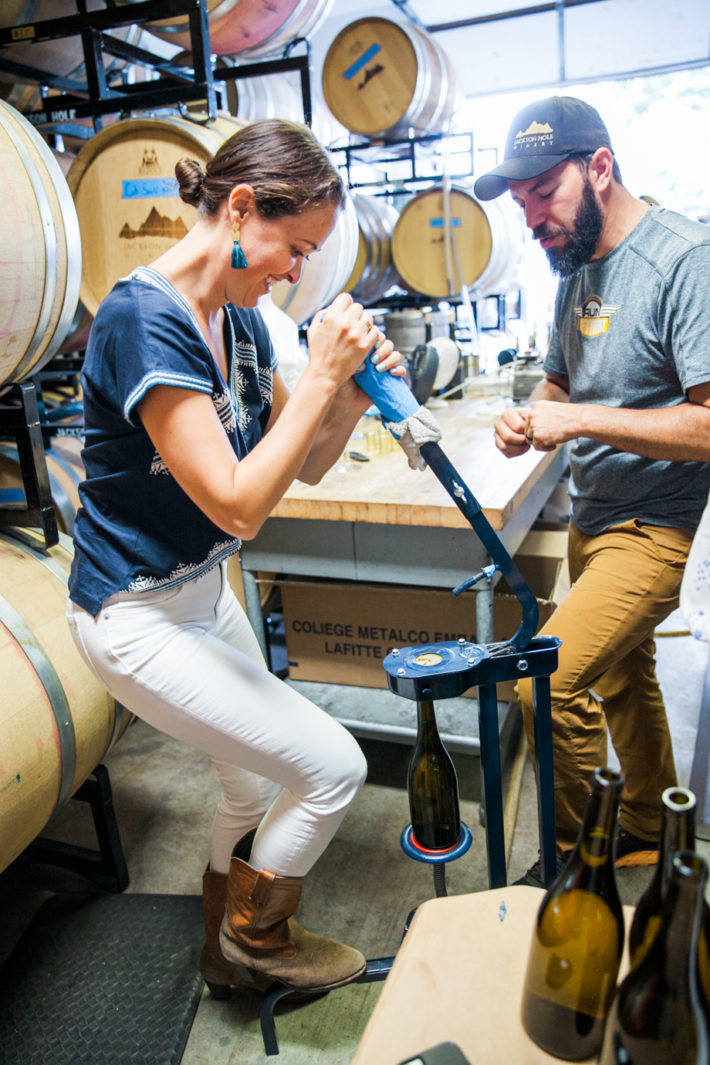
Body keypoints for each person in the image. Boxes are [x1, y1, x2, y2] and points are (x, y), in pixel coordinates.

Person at [66, 119, 404, 995]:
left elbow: (303, 459)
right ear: (243, 208)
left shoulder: (244, 320)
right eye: (296, 249)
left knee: (252, 793)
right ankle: (260, 939)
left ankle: (223, 954)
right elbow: (239, 504)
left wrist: (354, 394)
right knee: (333, 766)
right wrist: (324, 376)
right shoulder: (144, 321)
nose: (298, 271)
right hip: (135, 616)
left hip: (204, 595)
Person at [474, 95, 710, 885]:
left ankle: (579, 866)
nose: (532, 216)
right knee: (622, 672)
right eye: (521, 202)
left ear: (599, 168)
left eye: (544, 193)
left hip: (657, 526)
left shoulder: (682, 260)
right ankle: (648, 827)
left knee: (548, 681)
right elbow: (559, 382)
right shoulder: (575, 269)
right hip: (593, 515)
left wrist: (576, 418)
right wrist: (531, 416)